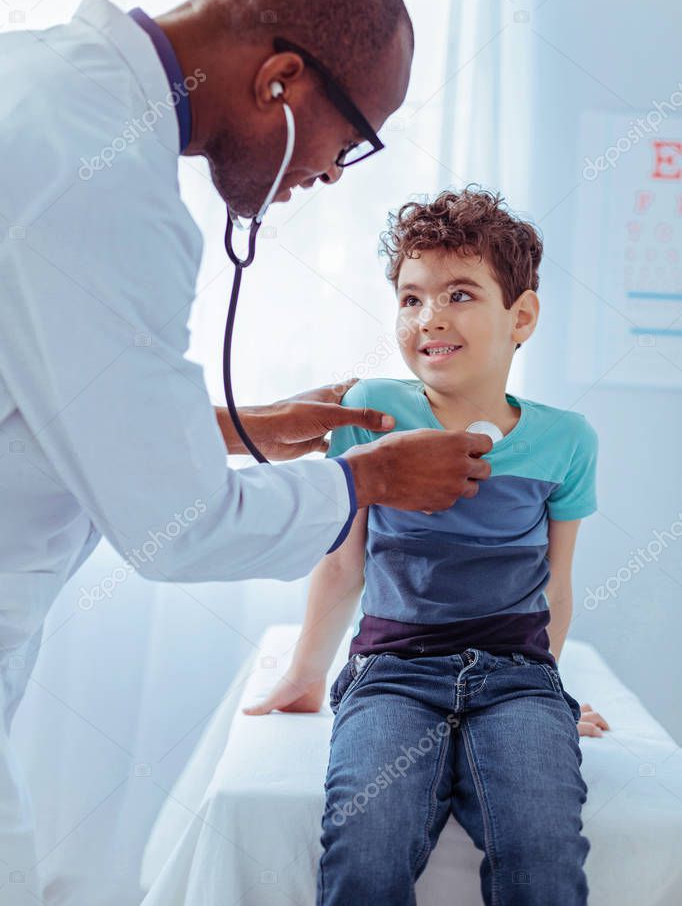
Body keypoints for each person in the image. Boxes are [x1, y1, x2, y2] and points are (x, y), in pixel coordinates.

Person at [0, 0, 494, 901]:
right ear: (278, 79)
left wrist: (242, 426)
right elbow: (176, 531)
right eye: (345, 144)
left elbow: (43, 395)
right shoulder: (110, 188)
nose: (327, 178)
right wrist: (370, 483)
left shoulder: (45, 85)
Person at [246, 187, 610, 905]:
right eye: (410, 299)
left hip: (515, 677)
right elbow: (344, 561)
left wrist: (550, 688)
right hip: (392, 672)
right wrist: (305, 671)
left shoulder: (568, 440)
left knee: (543, 850)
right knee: (364, 846)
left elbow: (557, 587)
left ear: (522, 316)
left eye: (460, 294)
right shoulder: (371, 411)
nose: (429, 317)